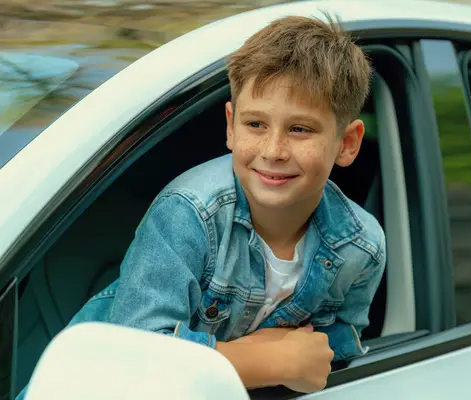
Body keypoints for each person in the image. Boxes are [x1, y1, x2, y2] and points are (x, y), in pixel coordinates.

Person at [17, 13, 385, 397]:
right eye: (255, 124)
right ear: (230, 125)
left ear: (347, 143)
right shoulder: (190, 213)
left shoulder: (360, 246)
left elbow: (338, 344)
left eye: (300, 129)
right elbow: (137, 354)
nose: (273, 151)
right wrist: (268, 363)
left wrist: (297, 358)